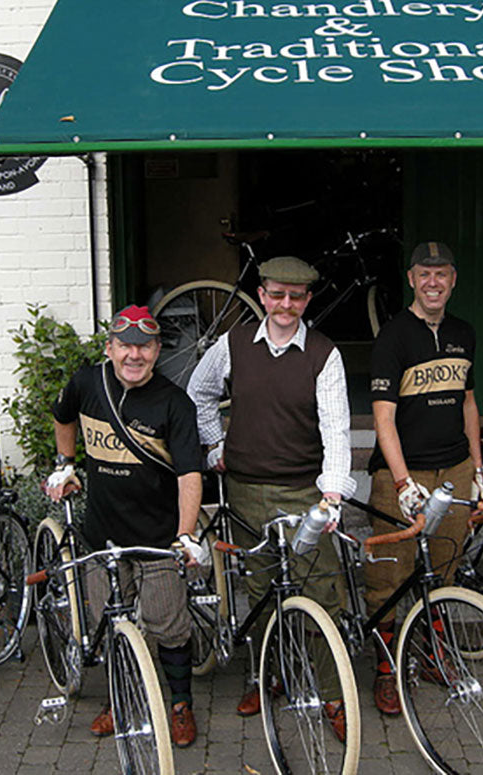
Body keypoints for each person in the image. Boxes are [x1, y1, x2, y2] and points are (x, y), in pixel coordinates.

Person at [186, 255, 355, 741]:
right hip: (244, 491)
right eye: (277, 294)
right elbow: (198, 392)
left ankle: (332, 694)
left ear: (307, 300)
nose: (286, 304)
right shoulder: (233, 344)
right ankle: (267, 676)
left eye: (296, 296)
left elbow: (337, 429)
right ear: (262, 295)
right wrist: (215, 442)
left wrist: (332, 493)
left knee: (322, 593)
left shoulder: (325, 355)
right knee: (261, 593)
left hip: (304, 492)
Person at [45, 304, 204, 748]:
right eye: (125, 346)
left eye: (145, 347)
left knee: (169, 625)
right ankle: (119, 700)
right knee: (109, 621)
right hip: (101, 534)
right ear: (111, 348)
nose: (134, 356)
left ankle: (179, 703)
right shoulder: (86, 383)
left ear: (157, 351)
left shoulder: (175, 403)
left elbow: (190, 474)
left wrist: (186, 535)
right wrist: (66, 464)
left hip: (156, 536)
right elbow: (62, 416)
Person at [364, 241, 483, 716]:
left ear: (453, 280)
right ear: (411, 280)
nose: (433, 282)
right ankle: (386, 668)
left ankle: (432, 653)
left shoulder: (464, 333)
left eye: (442, 274)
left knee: (444, 568)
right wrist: (400, 482)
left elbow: (469, 404)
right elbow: (383, 418)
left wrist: (476, 469)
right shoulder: (393, 336)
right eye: (424, 274)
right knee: (388, 577)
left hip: (453, 471)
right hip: (405, 473)